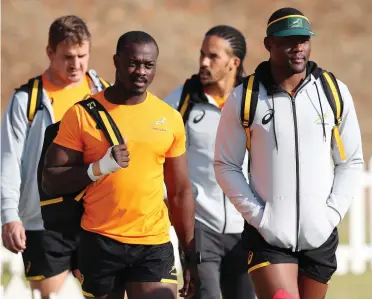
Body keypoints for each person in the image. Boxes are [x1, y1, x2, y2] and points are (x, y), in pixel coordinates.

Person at [214, 7, 364, 299]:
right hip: (268, 238)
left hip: (319, 236)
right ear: (269, 44)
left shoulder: (333, 92)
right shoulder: (244, 97)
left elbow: (351, 161)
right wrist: (259, 217)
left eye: (304, 40)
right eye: (288, 41)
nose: (298, 48)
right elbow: (225, 164)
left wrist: (331, 214)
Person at [41, 31, 199, 299]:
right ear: (116, 61)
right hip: (100, 240)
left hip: (153, 243)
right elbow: (51, 178)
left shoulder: (169, 118)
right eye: (133, 63)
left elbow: (180, 192)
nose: (140, 72)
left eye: (148, 65)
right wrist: (98, 168)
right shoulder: (81, 114)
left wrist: (189, 254)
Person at [0, 15, 114, 299]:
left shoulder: (105, 93)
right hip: (44, 221)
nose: (76, 64)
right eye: (67, 57)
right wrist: (9, 216)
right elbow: (9, 160)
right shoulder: (27, 101)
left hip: (96, 217)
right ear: (50, 52)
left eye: (82, 55)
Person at [164, 25, 255, 299]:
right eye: (202, 54)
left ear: (233, 62)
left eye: (212, 56)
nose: (203, 62)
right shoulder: (181, 101)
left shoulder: (255, 100)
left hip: (248, 230)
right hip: (200, 229)